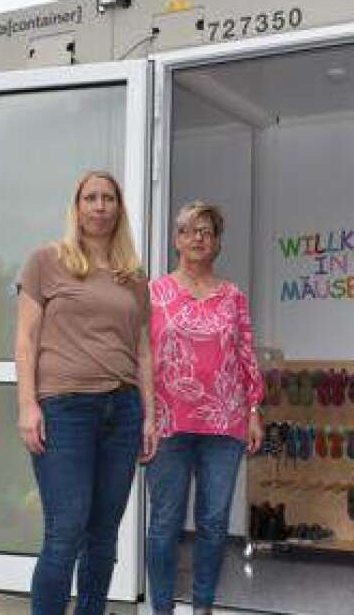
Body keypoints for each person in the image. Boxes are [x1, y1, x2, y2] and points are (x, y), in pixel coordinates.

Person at [14, 170, 157, 615]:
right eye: (90, 198)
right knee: (65, 531)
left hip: (123, 411)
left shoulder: (133, 277)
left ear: (119, 209)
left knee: (103, 536)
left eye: (108, 198)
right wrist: (27, 404)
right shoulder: (45, 261)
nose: (99, 206)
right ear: (76, 207)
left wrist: (150, 416)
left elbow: (143, 351)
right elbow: (25, 339)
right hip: (65, 410)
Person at [146, 201, 265, 615]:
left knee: (214, 522)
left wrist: (254, 411)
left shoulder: (233, 296)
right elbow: (141, 357)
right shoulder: (154, 293)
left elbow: (246, 354)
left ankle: (202, 607)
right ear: (176, 239)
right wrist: (144, 415)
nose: (198, 238)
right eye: (190, 230)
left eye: (207, 231)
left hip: (225, 424)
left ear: (216, 243)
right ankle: (161, 609)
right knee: (165, 523)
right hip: (168, 422)